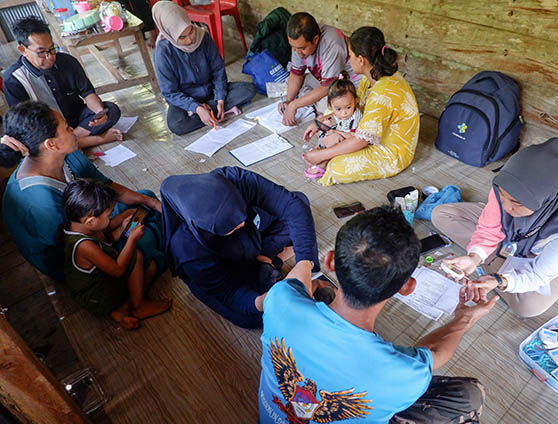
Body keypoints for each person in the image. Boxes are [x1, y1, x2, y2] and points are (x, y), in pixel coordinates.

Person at [258, 206, 497, 424]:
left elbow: (293, 282)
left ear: (330, 261)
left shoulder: (279, 300)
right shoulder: (401, 374)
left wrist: (306, 266)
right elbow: (434, 353)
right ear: (407, 287)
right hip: (384, 387)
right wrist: (464, 317)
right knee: (470, 395)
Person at [0, 101, 164, 283]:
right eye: (66, 128)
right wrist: (116, 233)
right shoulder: (40, 203)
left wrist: (153, 203)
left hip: (90, 228)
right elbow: (76, 249)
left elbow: (107, 186)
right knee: (144, 239)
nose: (73, 129)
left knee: (146, 198)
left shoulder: (67, 154)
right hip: (75, 261)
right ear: (51, 144)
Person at [432, 138, 558, 318]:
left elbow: (540, 275)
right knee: (441, 214)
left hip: (541, 252)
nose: (506, 207)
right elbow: (488, 228)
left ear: (544, 200)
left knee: (528, 307)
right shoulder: (506, 186)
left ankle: (495, 264)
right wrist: (474, 257)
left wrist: (500, 281)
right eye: (502, 196)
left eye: (517, 203)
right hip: (510, 233)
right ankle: (493, 261)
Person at [160, 167, 319, 329]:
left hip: (254, 234)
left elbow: (292, 206)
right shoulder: (187, 248)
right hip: (222, 271)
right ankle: (263, 265)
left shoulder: (234, 180)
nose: (242, 223)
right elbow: (227, 293)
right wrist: (263, 301)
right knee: (255, 317)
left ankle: (264, 258)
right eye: (233, 228)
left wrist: (304, 262)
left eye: (241, 216)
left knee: (299, 204)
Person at [301, 26, 420, 186]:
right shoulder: (372, 76)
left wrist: (323, 155)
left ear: (361, 60)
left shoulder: (383, 93)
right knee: (333, 130)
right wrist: (321, 121)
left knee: (337, 167)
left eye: (350, 56)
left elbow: (361, 141)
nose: (349, 60)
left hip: (392, 153)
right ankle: (328, 150)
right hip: (369, 134)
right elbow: (350, 108)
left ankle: (326, 156)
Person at [62, 179, 172, 329]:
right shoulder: (83, 246)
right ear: (90, 221)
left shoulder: (81, 225)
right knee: (136, 255)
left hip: (104, 279)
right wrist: (132, 239)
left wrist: (124, 218)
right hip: (98, 297)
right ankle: (139, 306)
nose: (111, 217)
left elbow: (107, 235)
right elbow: (117, 270)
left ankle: (124, 308)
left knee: (151, 265)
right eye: (109, 215)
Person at [3, 17, 123, 149]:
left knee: (111, 110)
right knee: (32, 143)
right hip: (48, 131)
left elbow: (88, 93)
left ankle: (69, 143)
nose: (50, 57)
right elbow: (25, 123)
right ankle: (93, 140)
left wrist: (100, 112)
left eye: (52, 48)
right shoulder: (14, 79)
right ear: (23, 50)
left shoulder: (67, 61)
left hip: (76, 120)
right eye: (41, 52)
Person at [152, 2, 256, 136]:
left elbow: (218, 70)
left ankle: (213, 109)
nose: (190, 40)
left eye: (190, 31)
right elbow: (170, 92)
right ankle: (209, 112)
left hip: (210, 91)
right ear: (169, 34)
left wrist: (220, 99)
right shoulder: (163, 52)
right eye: (182, 37)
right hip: (186, 99)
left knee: (249, 89)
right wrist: (196, 108)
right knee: (176, 125)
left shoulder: (202, 37)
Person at [278, 12, 358, 126]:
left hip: (347, 83)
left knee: (330, 106)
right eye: (293, 48)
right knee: (293, 83)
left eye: (302, 48)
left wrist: (294, 105)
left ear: (315, 39)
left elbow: (327, 87)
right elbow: (296, 74)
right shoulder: (299, 43)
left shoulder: (332, 43)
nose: (297, 52)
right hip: (325, 79)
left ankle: (316, 107)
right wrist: (289, 101)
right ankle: (312, 104)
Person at [302, 73, 362, 179]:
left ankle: (322, 162)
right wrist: (323, 125)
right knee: (324, 127)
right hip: (337, 132)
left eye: (348, 107)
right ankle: (318, 149)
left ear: (355, 101)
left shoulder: (355, 116)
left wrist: (336, 132)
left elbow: (353, 136)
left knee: (335, 138)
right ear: (331, 106)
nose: (344, 113)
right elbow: (333, 117)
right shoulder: (337, 112)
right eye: (338, 109)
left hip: (347, 139)